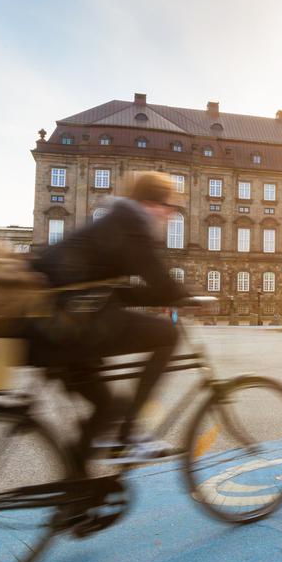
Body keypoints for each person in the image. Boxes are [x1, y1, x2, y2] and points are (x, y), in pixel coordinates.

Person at [28, 171, 187, 470]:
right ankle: (129, 434)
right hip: (66, 324)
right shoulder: (131, 224)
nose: (170, 213)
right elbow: (160, 283)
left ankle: (75, 500)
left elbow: (119, 292)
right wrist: (183, 295)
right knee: (168, 334)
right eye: (168, 205)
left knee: (106, 409)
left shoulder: (116, 221)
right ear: (151, 202)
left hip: (53, 323)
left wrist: (167, 295)